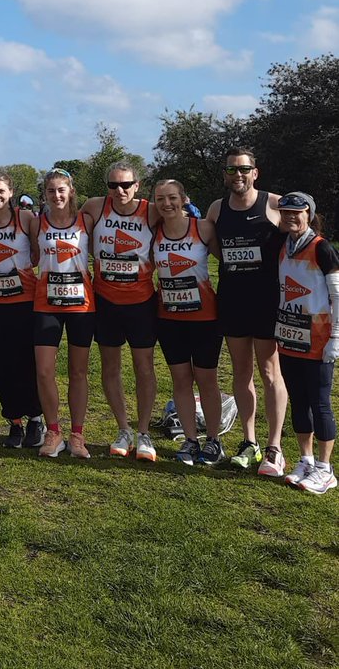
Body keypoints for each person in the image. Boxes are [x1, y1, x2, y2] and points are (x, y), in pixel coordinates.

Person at [207, 148, 286, 475]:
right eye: (231, 169)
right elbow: (215, 250)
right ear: (225, 174)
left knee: (269, 373)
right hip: (233, 301)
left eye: (244, 169)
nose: (237, 175)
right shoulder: (216, 209)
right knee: (241, 372)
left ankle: (275, 447)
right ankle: (249, 442)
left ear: (255, 172)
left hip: (268, 302)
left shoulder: (274, 204)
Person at [80, 161, 158, 463]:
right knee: (110, 367)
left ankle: (144, 432)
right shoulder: (95, 207)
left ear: (137, 185)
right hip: (106, 301)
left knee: (144, 367)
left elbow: (179, 219)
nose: (120, 190)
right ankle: (123, 429)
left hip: (141, 301)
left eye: (126, 184)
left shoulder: (150, 211)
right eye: (113, 185)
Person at [150, 179, 224, 466]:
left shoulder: (203, 228)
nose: (166, 204)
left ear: (183, 199)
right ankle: (191, 440)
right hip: (168, 318)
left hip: (205, 317)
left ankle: (214, 441)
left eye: (172, 198)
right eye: (160, 199)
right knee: (181, 380)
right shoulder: (154, 233)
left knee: (207, 380)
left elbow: (228, 261)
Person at [273, 193, 339, 494]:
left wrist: (335, 338)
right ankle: (306, 460)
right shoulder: (283, 247)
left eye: (297, 213)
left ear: (309, 215)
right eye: (285, 213)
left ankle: (326, 469)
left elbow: (337, 296)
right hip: (290, 338)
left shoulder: (321, 248)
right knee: (299, 401)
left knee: (320, 403)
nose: (291, 218)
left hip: (319, 339)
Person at [33, 168, 96, 459]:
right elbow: (32, 257)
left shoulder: (87, 221)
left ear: (71, 190)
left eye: (61, 190)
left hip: (81, 305)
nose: (56, 196)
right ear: (44, 195)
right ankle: (54, 431)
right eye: (50, 191)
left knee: (78, 371)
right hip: (46, 304)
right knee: (45, 370)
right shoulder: (38, 223)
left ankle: (78, 435)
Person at [0, 172, 44, 449]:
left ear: (11, 192)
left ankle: (36, 419)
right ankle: (14, 421)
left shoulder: (26, 218)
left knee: (28, 362)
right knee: (2, 365)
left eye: (1, 191)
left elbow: (39, 252)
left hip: (26, 302)